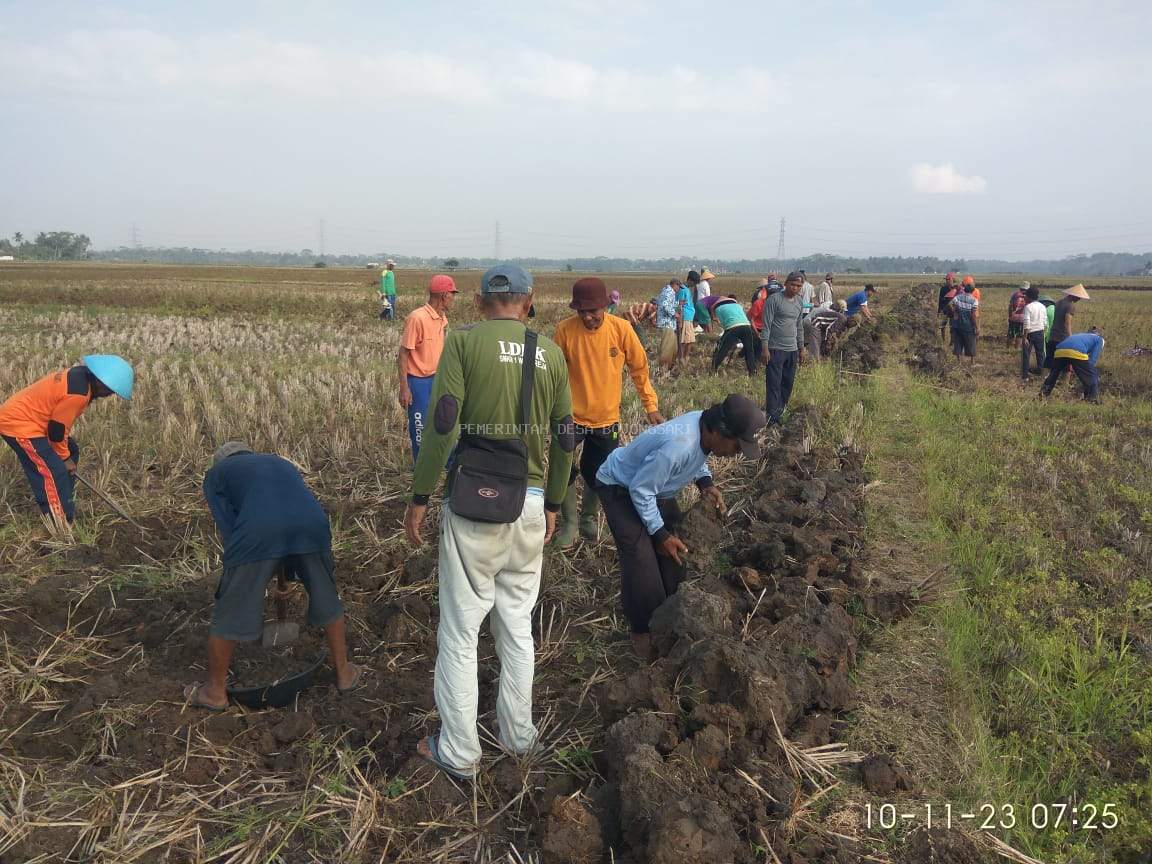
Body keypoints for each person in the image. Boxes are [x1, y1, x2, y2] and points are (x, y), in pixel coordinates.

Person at [404, 264, 574, 780]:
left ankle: (458, 752)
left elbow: (443, 421)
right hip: (531, 502)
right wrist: (553, 504)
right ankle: (518, 736)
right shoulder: (550, 352)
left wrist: (420, 493)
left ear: (481, 301)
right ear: (528, 302)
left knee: (460, 632)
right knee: (517, 626)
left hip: (474, 503)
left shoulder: (464, 341)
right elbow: (566, 437)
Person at [186, 442, 359, 710]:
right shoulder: (279, 463)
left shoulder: (217, 474)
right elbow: (285, 509)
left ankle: (215, 693)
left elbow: (232, 527)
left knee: (231, 606)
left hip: (259, 531)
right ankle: (344, 673)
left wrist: (247, 577)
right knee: (326, 594)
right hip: (312, 524)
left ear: (220, 462)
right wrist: (284, 574)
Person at [596, 395, 765, 658]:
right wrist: (659, 534)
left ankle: (669, 611)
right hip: (620, 487)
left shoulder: (703, 427)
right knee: (641, 559)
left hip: (655, 489)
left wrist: (706, 483)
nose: (735, 453)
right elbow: (640, 490)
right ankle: (642, 629)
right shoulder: (679, 445)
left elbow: (698, 459)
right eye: (736, 446)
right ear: (719, 431)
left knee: (677, 551)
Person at [551, 278, 663, 548]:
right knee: (561, 468)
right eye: (582, 312)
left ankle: (589, 518)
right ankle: (570, 524)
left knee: (599, 470)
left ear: (605, 306)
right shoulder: (565, 331)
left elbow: (639, 369)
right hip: (571, 416)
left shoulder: (622, 329)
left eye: (594, 311)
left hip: (607, 417)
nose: (588, 317)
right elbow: (553, 376)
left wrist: (651, 406)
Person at [0, 355, 133, 524]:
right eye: (111, 390)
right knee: (52, 470)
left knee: (72, 449)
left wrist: (67, 455)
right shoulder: (78, 394)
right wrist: (64, 459)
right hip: (20, 425)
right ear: (101, 382)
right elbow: (56, 431)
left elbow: (58, 427)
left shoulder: (80, 375)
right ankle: (61, 521)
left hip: (36, 423)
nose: (111, 394)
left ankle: (64, 497)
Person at [398, 274, 458, 462]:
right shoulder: (417, 318)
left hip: (437, 379)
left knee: (442, 424)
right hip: (418, 383)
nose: (453, 299)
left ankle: (447, 463)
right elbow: (403, 354)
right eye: (452, 295)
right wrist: (404, 387)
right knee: (420, 428)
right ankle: (421, 469)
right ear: (444, 295)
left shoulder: (442, 318)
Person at [761, 271, 807, 425]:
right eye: (793, 284)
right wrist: (765, 347)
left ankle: (780, 410)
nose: (795, 288)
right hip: (775, 349)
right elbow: (766, 325)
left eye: (799, 286)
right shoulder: (774, 300)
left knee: (787, 383)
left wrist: (801, 348)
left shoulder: (799, 302)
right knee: (774, 383)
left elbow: (799, 326)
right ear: (786, 283)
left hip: (792, 349)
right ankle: (772, 418)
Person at [1041, 328, 1104, 403]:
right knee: (1091, 375)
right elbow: (1093, 358)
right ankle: (1092, 399)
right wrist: (1090, 370)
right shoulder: (1099, 340)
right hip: (1076, 351)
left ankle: (1043, 393)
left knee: (1054, 373)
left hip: (1059, 350)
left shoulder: (1082, 335)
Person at [710, 295, 758, 375]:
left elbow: (725, 326)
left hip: (732, 328)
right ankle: (752, 371)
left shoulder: (718, 309)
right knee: (749, 350)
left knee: (723, 349)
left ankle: (713, 369)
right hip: (746, 326)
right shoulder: (738, 306)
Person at [1045, 284, 1090, 369]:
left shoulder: (1058, 302)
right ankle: (1064, 381)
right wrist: (1070, 338)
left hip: (1052, 335)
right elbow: (1067, 322)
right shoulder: (1070, 305)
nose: (1079, 299)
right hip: (1062, 338)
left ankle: (1044, 378)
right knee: (1066, 363)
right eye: (1078, 297)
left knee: (1050, 359)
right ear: (1074, 295)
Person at [949, 282, 980, 368]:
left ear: (964, 289)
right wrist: (976, 327)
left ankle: (959, 362)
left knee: (958, 343)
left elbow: (950, 304)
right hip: (968, 326)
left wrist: (955, 312)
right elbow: (973, 316)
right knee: (971, 343)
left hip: (958, 324)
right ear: (973, 291)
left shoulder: (957, 297)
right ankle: (972, 363)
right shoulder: (974, 300)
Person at [1020, 286, 1047, 380]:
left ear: (1029, 296)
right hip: (1040, 332)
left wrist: (1024, 337)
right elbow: (1045, 322)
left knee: (1026, 354)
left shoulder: (1028, 307)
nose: (1025, 297)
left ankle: (1025, 376)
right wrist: (1043, 332)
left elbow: (1027, 323)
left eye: (1026, 295)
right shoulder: (1043, 306)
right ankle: (1041, 372)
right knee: (1040, 354)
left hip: (1030, 333)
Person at [654, 278, 681, 373]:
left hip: (668, 323)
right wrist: (675, 314)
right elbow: (665, 306)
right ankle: (663, 370)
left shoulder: (666, 291)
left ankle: (669, 368)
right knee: (667, 347)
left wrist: (678, 304)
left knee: (673, 347)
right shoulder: (669, 291)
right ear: (675, 284)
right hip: (667, 323)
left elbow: (666, 303)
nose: (679, 289)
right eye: (679, 287)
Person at [675, 278, 696, 361]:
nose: (694, 285)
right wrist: (680, 320)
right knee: (684, 340)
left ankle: (685, 357)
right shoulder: (682, 290)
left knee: (690, 339)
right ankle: (681, 358)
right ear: (690, 280)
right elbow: (679, 306)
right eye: (694, 282)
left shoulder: (685, 289)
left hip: (689, 317)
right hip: (685, 317)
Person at [1007, 281, 1030, 349]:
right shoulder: (1028, 296)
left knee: (1011, 334)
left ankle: (1008, 348)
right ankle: (1016, 348)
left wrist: (1010, 316)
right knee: (1019, 335)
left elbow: (1010, 306)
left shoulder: (1015, 294)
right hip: (1023, 318)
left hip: (1013, 317)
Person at [938, 272, 957, 340]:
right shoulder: (943, 289)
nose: (947, 280)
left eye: (949, 279)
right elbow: (940, 300)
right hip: (944, 309)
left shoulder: (956, 289)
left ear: (953, 279)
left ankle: (952, 341)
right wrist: (939, 311)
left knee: (953, 326)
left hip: (952, 310)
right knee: (942, 326)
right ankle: (943, 340)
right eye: (946, 279)